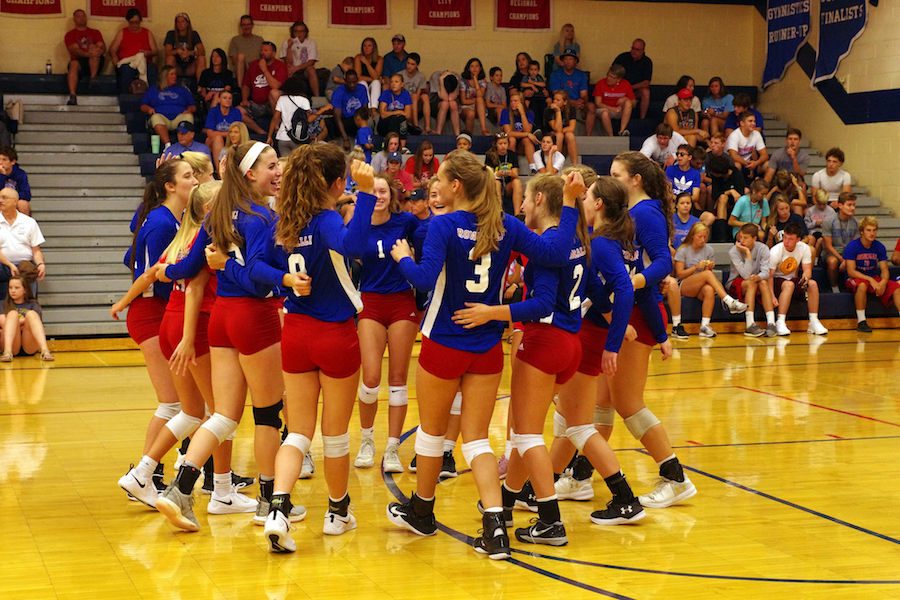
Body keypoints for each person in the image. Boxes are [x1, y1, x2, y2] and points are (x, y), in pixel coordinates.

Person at [385, 151, 580, 559]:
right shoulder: (507, 225)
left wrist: (402, 257)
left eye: (439, 178)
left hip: (443, 342)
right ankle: (495, 528)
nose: (434, 185)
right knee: (476, 441)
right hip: (487, 347)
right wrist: (572, 205)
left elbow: (422, 279)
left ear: (457, 186)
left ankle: (422, 511)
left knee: (432, 433)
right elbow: (557, 253)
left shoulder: (443, 226)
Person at [155, 143, 300, 532]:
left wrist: (165, 273)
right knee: (268, 414)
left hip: (221, 319)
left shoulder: (217, 211)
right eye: (272, 166)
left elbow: (188, 265)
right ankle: (269, 502)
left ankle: (179, 489)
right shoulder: (263, 217)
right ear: (250, 174)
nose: (278, 172)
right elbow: (254, 272)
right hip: (254, 316)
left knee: (223, 414)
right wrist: (284, 278)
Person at [450, 173, 593, 544]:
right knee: (523, 433)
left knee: (527, 435)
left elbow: (543, 302)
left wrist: (491, 312)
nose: (523, 206)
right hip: (569, 341)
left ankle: (550, 520)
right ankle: (509, 500)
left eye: (526, 200)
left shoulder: (548, 242)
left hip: (544, 341)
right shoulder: (574, 238)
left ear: (541, 199)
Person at [261, 148, 376, 551]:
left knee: (298, 431)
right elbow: (355, 244)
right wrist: (366, 196)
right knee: (336, 433)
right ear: (335, 183)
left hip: (295, 331)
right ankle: (337, 511)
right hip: (335, 336)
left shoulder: (285, 223)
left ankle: (277, 508)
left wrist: (285, 282)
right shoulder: (328, 222)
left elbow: (261, 269)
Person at [605, 151, 692, 509]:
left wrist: (633, 281)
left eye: (616, 174)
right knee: (602, 399)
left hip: (639, 311)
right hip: (630, 309)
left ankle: (675, 477)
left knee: (627, 401)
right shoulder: (635, 213)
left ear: (635, 179)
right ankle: (577, 474)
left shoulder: (645, 213)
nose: (610, 180)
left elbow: (664, 263)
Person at [120, 160, 193, 495]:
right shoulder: (163, 223)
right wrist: (122, 302)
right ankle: (143, 475)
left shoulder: (168, 218)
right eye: (188, 176)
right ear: (170, 186)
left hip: (155, 311)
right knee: (173, 405)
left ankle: (149, 474)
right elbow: (149, 274)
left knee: (176, 405)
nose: (194, 181)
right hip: (149, 312)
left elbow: (130, 257)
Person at [350, 173, 421, 476]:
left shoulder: (406, 223)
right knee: (370, 377)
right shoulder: (359, 225)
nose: (378, 195)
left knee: (398, 379)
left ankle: (392, 446)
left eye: (383, 191)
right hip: (371, 303)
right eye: (374, 191)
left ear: (392, 195)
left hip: (402, 301)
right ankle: (367, 440)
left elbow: (429, 241)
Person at [675, 222, 748, 338]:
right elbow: (679, 274)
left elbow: (708, 273)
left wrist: (709, 267)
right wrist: (696, 267)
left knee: (709, 289)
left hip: (701, 282)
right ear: (692, 236)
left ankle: (705, 326)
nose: (703, 240)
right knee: (707, 274)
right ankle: (729, 301)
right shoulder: (683, 250)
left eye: (705, 237)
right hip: (683, 284)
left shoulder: (708, 250)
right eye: (700, 237)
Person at [767, 222, 828, 336]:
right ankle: (780, 321)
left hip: (791, 280)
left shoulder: (804, 248)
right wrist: (771, 295)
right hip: (776, 281)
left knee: (812, 284)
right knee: (789, 285)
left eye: (790, 239)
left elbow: (807, 269)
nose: (786, 241)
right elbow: (768, 276)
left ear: (798, 240)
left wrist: (806, 276)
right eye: (784, 237)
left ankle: (813, 321)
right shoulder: (775, 251)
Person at [844, 216, 900, 332]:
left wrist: (883, 282)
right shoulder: (852, 246)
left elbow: (884, 269)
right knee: (862, 285)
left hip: (873, 278)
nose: (872, 233)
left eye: (874, 230)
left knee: (896, 288)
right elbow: (851, 271)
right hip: (855, 278)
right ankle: (861, 321)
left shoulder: (879, 246)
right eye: (868, 230)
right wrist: (870, 279)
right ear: (862, 232)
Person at [727, 223, 776, 337]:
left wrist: (759, 277)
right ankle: (750, 324)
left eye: (745, 238)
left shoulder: (763, 248)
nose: (742, 240)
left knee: (763, 282)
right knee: (752, 284)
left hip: (755, 280)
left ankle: (771, 323)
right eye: (741, 237)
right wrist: (748, 254)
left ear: (754, 238)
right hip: (736, 282)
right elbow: (745, 275)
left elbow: (765, 272)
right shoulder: (734, 251)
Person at [0, 272, 53, 362]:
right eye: (10, 287)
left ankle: (45, 351)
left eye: (16, 288)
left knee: (31, 314)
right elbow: (3, 322)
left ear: (25, 290)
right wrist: (21, 322)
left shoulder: (33, 304)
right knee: (12, 314)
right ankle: (7, 353)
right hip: (11, 344)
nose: (12, 290)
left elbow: (36, 325)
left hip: (28, 344)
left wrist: (16, 323)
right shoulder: (2, 304)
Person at [141, 66, 196, 149]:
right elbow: (143, 106)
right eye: (172, 74)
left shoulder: (182, 90)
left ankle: (184, 146)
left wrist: (189, 110)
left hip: (179, 118)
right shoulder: (153, 90)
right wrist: (149, 109)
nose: (175, 76)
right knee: (155, 117)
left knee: (189, 116)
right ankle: (168, 145)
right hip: (161, 117)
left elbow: (193, 106)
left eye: (175, 74)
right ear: (165, 76)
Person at [240, 42, 288, 133]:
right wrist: (244, 99)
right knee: (238, 111)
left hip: (271, 105)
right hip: (256, 105)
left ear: (273, 53)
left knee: (274, 93)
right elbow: (246, 85)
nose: (262, 52)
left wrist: (264, 69)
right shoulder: (254, 65)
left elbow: (276, 86)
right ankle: (261, 132)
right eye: (261, 50)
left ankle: (277, 127)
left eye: (266, 50)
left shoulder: (280, 66)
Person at [0, 188, 45, 282]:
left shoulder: (29, 222)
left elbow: (36, 250)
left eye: (4, 198)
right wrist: (10, 265)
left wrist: (41, 264)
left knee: (30, 270)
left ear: (15, 201)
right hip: (2, 265)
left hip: (25, 266)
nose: (0, 200)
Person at [108, 8, 158, 93]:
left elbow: (155, 51)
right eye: (132, 22)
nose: (134, 25)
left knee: (152, 69)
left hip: (144, 62)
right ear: (128, 21)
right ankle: (125, 97)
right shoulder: (122, 32)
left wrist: (148, 53)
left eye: (137, 22)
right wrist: (115, 60)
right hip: (127, 62)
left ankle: (152, 96)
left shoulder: (147, 33)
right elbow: (112, 49)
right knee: (126, 69)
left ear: (140, 21)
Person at [65, 9, 106, 106]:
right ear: (74, 19)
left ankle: (93, 79)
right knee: (74, 63)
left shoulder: (95, 32)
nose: (81, 18)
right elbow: (75, 50)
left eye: (83, 16)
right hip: (80, 62)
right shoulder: (70, 34)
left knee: (94, 49)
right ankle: (72, 95)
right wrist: (89, 54)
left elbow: (102, 47)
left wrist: (95, 50)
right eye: (78, 16)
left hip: (96, 61)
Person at [549, 50, 594, 136]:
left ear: (575, 62)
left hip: (578, 102)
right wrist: (573, 102)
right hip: (562, 103)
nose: (568, 61)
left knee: (591, 106)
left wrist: (582, 102)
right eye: (565, 59)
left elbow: (584, 94)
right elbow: (557, 95)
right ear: (562, 61)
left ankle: (588, 136)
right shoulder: (555, 74)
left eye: (571, 59)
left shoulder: (581, 75)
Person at [666, 144, 712, 225]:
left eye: (682, 154)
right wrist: (679, 201)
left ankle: (694, 234)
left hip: (688, 206)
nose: (679, 157)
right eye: (677, 154)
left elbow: (696, 196)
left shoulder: (695, 173)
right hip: (673, 205)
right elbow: (667, 192)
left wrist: (683, 202)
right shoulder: (670, 170)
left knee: (709, 217)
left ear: (690, 157)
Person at [822, 192, 858, 293]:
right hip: (832, 252)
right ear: (840, 205)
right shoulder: (828, 221)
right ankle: (834, 287)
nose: (852, 208)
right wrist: (842, 259)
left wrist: (847, 259)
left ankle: (853, 285)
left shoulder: (855, 222)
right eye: (849, 205)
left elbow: (855, 245)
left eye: (854, 205)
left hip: (848, 253)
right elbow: (828, 246)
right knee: (833, 262)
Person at [485, 133, 523, 216]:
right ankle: (499, 211)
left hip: (507, 186)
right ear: (496, 145)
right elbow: (488, 174)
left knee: (516, 182)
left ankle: (517, 214)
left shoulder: (512, 154)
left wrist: (508, 172)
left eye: (505, 143)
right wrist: (497, 173)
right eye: (500, 144)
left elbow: (516, 174)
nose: (503, 146)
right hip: (495, 184)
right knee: (497, 182)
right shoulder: (490, 155)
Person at [499, 91, 538, 170]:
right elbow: (508, 133)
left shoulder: (529, 113)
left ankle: (533, 168)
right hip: (510, 143)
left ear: (521, 102)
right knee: (512, 139)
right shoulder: (505, 112)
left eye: (515, 101)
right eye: (511, 101)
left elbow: (528, 130)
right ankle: (510, 166)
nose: (513, 103)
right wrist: (527, 134)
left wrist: (522, 113)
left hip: (522, 145)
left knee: (527, 140)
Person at [614, 39, 652, 119]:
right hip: (619, 89)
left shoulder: (647, 62)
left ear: (643, 51)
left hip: (634, 90)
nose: (634, 51)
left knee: (646, 92)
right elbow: (613, 73)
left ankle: (642, 119)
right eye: (633, 48)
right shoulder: (622, 57)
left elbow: (646, 83)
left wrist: (629, 88)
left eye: (637, 50)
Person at [330, 70, 368, 149]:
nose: (352, 85)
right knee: (329, 123)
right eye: (349, 82)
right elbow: (337, 117)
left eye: (354, 82)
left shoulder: (362, 88)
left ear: (357, 80)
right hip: (345, 120)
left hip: (359, 120)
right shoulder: (339, 92)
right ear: (345, 81)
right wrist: (345, 139)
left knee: (369, 121)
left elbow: (365, 110)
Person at [280, 21, 319, 97]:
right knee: (287, 69)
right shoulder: (287, 42)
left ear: (305, 32)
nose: (299, 33)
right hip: (291, 68)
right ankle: (287, 97)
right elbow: (288, 62)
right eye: (296, 31)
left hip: (304, 69)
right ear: (292, 32)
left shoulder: (311, 42)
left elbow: (311, 62)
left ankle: (316, 96)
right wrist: (289, 48)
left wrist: (296, 68)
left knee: (311, 69)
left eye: (302, 31)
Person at [593, 64, 634, 137]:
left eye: (612, 77)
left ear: (618, 79)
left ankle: (622, 131)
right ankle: (611, 136)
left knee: (628, 102)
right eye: (608, 75)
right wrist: (613, 109)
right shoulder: (600, 83)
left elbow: (634, 103)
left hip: (619, 111)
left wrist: (626, 98)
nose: (608, 78)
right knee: (605, 113)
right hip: (604, 109)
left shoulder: (626, 84)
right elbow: (598, 103)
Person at [164, 12, 205, 84]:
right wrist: (177, 51)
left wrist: (190, 53)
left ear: (187, 23)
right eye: (178, 22)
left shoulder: (193, 34)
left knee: (201, 59)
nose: (180, 24)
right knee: (170, 58)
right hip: (177, 66)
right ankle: (169, 86)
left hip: (190, 66)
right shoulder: (171, 34)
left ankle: (200, 87)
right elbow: (167, 52)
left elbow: (202, 51)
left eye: (183, 21)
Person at [204, 90, 242, 165]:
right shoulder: (213, 112)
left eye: (230, 98)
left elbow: (238, 132)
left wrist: (219, 133)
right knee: (217, 139)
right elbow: (209, 133)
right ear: (219, 100)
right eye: (224, 98)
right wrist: (229, 133)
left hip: (232, 140)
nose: (227, 100)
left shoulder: (236, 112)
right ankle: (220, 172)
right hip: (215, 141)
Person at [726, 112, 768, 179]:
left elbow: (765, 155)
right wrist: (747, 164)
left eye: (754, 121)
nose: (753, 123)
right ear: (742, 123)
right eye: (750, 121)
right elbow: (733, 156)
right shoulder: (734, 135)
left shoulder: (756, 134)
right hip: (739, 163)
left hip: (751, 164)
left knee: (767, 165)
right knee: (737, 165)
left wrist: (756, 163)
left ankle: (763, 186)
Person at [377, 73, 413, 147]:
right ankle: (389, 144)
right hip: (384, 125)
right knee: (394, 118)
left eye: (396, 82)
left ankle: (402, 147)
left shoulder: (405, 94)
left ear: (402, 84)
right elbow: (383, 115)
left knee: (402, 119)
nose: (393, 84)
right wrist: (398, 112)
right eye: (391, 82)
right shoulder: (386, 94)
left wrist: (395, 113)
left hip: (399, 125)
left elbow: (408, 115)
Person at [228, 15, 263, 89]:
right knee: (241, 56)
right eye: (244, 25)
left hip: (256, 69)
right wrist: (246, 66)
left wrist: (252, 67)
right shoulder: (235, 40)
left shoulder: (259, 40)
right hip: (241, 70)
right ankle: (240, 88)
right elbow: (234, 61)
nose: (246, 27)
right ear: (241, 26)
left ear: (252, 25)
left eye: (248, 24)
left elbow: (263, 58)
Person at [545, 90, 578, 164]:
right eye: (554, 99)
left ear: (565, 102)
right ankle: (556, 165)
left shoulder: (571, 109)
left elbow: (571, 128)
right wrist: (558, 111)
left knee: (570, 135)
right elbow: (556, 128)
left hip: (563, 133)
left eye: (558, 100)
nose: (555, 102)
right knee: (559, 135)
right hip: (550, 134)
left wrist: (561, 131)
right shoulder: (549, 111)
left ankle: (575, 166)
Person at [460, 58, 490, 136]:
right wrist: (475, 100)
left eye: (477, 66)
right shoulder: (463, 81)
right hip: (465, 108)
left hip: (478, 108)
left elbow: (480, 95)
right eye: (472, 66)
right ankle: (468, 136)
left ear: (480, 68)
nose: (474, 68)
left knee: (479, 99)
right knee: (471, 113)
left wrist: (475, 79)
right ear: (468, 68)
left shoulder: (483, 81)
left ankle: (483, 129)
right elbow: (463, 101)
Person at [402, 53, 431, 133]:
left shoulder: (421, 76)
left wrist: (414, 97)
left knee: (424, 96)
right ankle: (416, 125)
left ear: (417, 65)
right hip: (404, 104)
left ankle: (427, 127)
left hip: (416, 104)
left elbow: (418, 93)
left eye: (412, 64)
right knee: (413, 96)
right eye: (408, 63)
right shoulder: (400, 75)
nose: (409, 66)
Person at [0, 147, 33, 215]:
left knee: (23, 204)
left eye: (4, 160)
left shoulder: (20, 174)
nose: (0, 162)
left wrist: (11, 199)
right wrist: (2, 176)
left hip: (15, 201)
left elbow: (26, 194)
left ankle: (25, 225)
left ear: (13, 162)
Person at [804, 188, 835, 260]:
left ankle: (815, 259)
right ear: (816, 201)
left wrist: (825, 224)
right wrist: (815, 223)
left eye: (824, 204)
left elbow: (834, 227)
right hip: (812, 233)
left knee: (820, 241)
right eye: (819, 204)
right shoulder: (810, 210)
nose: (821, 206)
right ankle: (807, 258)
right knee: (811, 240)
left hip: (824, 234)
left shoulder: (831, 211)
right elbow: (806, 225)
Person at [430, 70, 462, 137]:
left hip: (449, 103)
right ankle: (438, 133)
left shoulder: (456, 78)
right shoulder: (435, 76)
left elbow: (451, 98)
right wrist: (441, 81)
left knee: (453, 104)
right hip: (435, 102)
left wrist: (457, 82)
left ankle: (457, 134)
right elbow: (443, 97)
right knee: (445, 104)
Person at [355, 37, 383, 110]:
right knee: (363, 83)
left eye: (369, 46)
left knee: (376, 82)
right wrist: (372, 79)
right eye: (364, 46)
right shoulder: (358, 57)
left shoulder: (379, 59)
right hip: (361, 86)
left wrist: (367, 63)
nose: (366, 48)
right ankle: (367, 107)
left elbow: (376, 77)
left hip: (372, 86)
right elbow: (357, 77)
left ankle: (373, 109)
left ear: (374, 48)